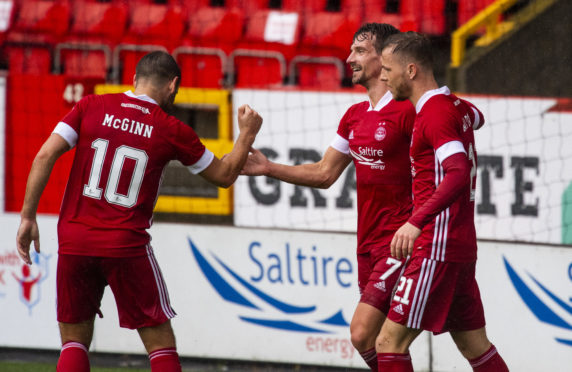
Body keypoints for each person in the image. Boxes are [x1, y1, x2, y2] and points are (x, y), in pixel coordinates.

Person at [15, 51, 262, 372]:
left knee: (73, 342)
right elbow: (225, 176)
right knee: (160, 345)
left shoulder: (91, 105)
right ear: (173, 86)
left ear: (133, 79)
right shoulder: (172, 129)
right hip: (125, 245)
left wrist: (27, 217)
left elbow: (45, 155)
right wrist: (246, 133)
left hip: (76, 240)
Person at [241, 23, 416, 371]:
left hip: (400, 242)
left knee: (362, 334)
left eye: (359, 51)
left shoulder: (409, 111)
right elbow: (324, 173)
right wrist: (269, 167)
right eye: (351, 50)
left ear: (385, 59)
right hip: (366, 244)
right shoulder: (353, 117)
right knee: (386, 342)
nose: (349, 58)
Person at [377, 31, 509, 371]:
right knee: (475, 347)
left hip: (436, 246)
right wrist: (453, 101)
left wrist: (415, 221)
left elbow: (457, 171)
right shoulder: (449, 107)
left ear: (410, 71)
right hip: (460, 247)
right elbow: (477, 116)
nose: (382, 77)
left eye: (387, 69)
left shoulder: (434, 113)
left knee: (388, 342)